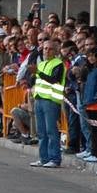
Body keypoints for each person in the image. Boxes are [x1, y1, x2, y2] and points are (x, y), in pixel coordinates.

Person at [30, 38, 65, 168]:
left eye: (50, 49)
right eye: (45, 48)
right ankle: (44, 158)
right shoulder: (42, 63)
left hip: (51, 101)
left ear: (55, 51)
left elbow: (54, 79)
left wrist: (38, 72)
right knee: (41, 132)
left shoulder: (58, 64)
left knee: (51, 131)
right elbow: (36, 79)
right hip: (39, 99)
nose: (47, 51)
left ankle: (54, 158)